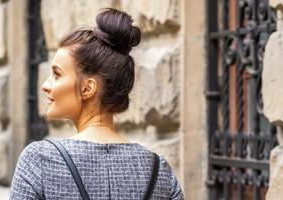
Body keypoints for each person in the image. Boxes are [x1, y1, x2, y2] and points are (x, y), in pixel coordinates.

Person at [9, 8, 184, 200]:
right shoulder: (158, 171)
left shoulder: (39, 161)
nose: (45, 85)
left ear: (87, 88)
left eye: (57, 74)